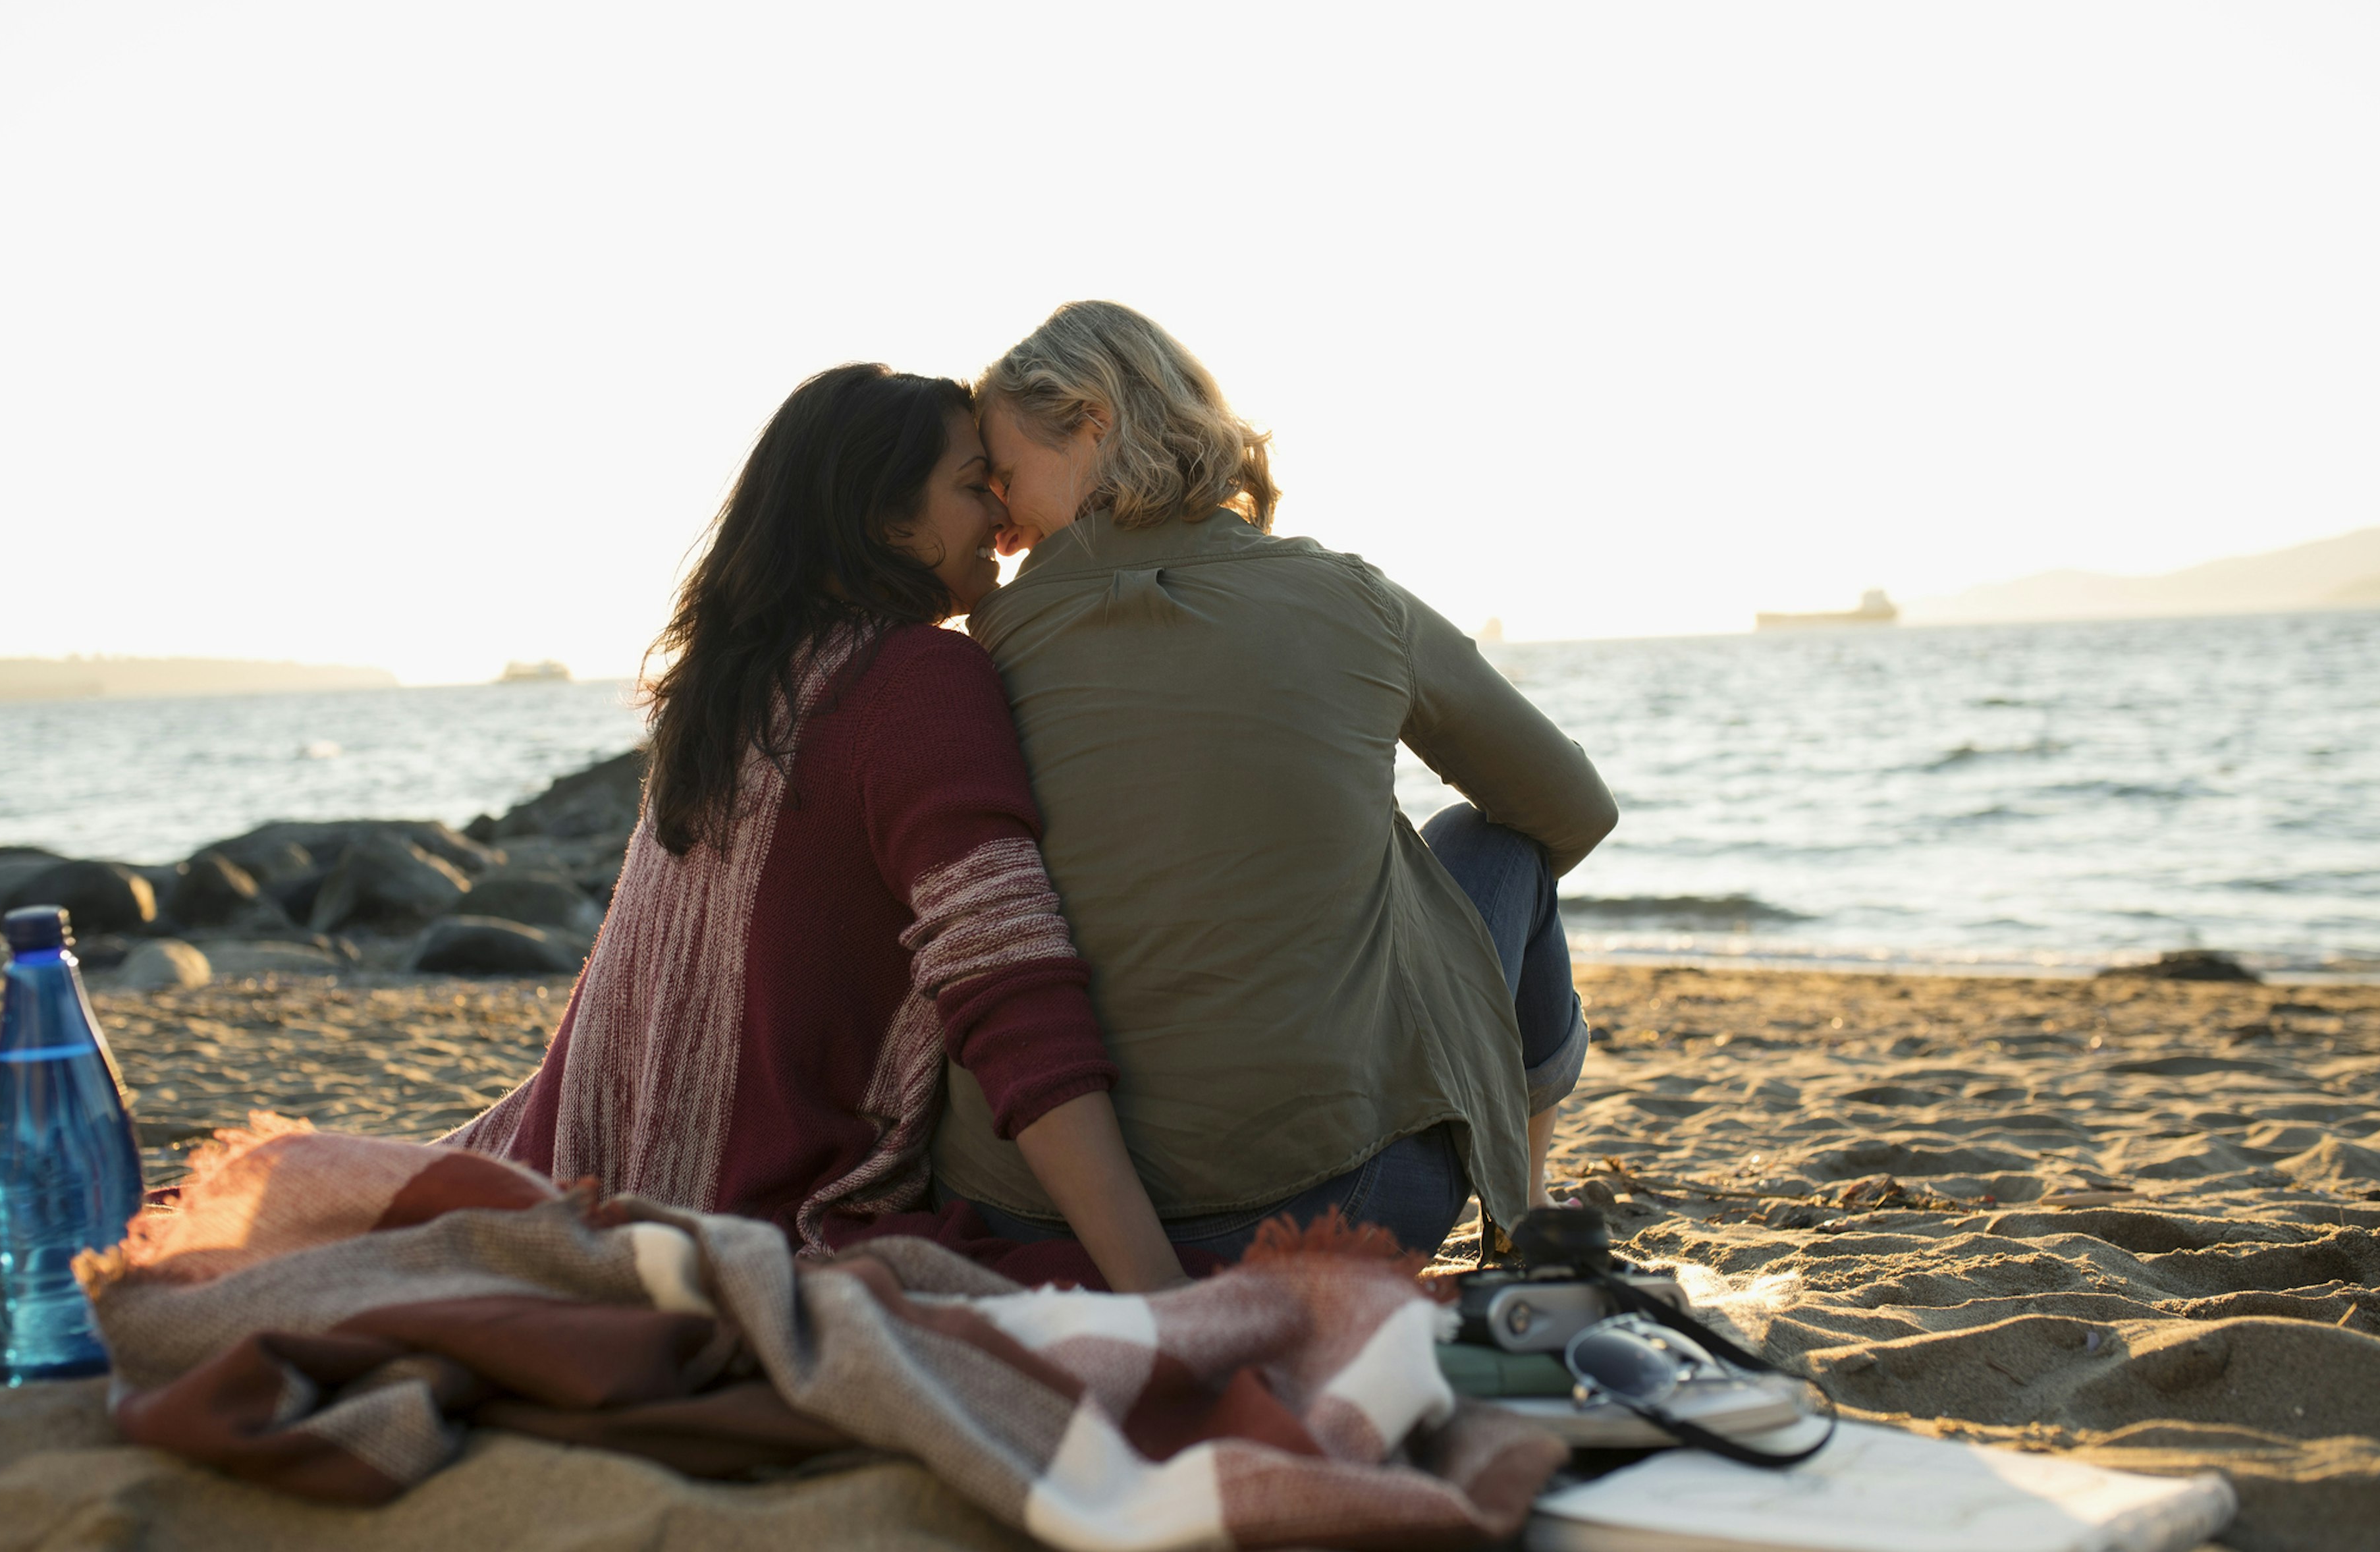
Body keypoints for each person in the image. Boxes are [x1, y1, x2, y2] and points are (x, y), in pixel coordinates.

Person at [446, 363, 1186, 1292]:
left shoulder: (729, 692)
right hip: (766, 1218)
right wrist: (1156, 1289)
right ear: (883, 519)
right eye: (971, 486)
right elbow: (1007, 981)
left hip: (599, 1178)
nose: (1001, 520)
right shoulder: (917, 676)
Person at [933, 302, 1618, 1263]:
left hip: (1026, 1209)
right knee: (1498, 842)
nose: (1000, 519)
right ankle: (1530, 1214)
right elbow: (1572, 811)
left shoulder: (985, 650)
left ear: (1094, 424)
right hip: (1344, 1203)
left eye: (1005, 477)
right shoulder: (1349, 598)